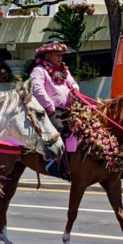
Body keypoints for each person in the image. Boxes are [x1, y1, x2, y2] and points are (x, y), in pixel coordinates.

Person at [30, 40, 81, 177]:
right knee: (57, 129)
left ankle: (75, 162)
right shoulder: (39, 71)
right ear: (47, 57)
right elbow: (38, 90)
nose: (60, 58)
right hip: (50, 110)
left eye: (61, 55)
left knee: (82, 127)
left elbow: (72, 82)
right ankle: (53, 162)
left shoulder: (64, 70)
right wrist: (50, 107)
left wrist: (75, 89)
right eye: (56, 55)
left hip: (68, 109)